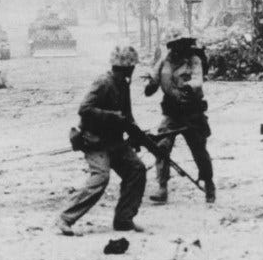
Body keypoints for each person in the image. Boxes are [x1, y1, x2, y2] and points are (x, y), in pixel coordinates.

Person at [58, 45, 148, 236]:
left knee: (136, 170)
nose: (132, 70)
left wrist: (137, 135)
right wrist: (112, 117)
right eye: (130, 67)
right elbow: (84, 109)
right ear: (125, 68)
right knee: (100, 177)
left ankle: (124, 219)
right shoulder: (104, 82)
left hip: (115, 141)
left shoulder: (123, 85)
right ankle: (66, 218)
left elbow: (127, 116)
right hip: (95, 141)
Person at [145, 29, 216, 204]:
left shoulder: (194, 60)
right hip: (172, 113)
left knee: (198, 149)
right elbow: (154, 78)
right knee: (162, 147)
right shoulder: (166, 60)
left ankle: (208, 184)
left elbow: (198, 81)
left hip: (192, 112)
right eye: (174, 45)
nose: (177, 48)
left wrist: (187, 87)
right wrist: (151, 84)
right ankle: (162, 187)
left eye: (180, 44)